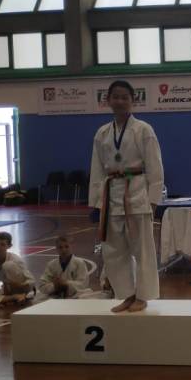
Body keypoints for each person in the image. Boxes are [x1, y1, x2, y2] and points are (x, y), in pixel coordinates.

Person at [89, 79, 164, 313]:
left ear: (133, 101)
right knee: (113, 250)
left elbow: (155, 167)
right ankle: (127, 294)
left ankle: (143, 295)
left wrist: (153, 200)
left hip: (137, 193)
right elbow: (97, 170)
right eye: (116, 97)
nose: (120, 101)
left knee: (142, 249)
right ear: (108, 101)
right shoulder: (102, 133)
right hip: (111, 194)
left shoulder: (143, 130)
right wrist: (96, 203)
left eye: (125, 97)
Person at [37, 235, 94, 300]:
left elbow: (83, 284)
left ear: (71, 247)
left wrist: (66, 284)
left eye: (66, 246)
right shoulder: (51, 265)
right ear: (56, 249)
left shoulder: (79, 263)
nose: (64, 250)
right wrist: (55, 286)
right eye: (60, 247)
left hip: (75, 297)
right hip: (55, 297)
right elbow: (42, 285)